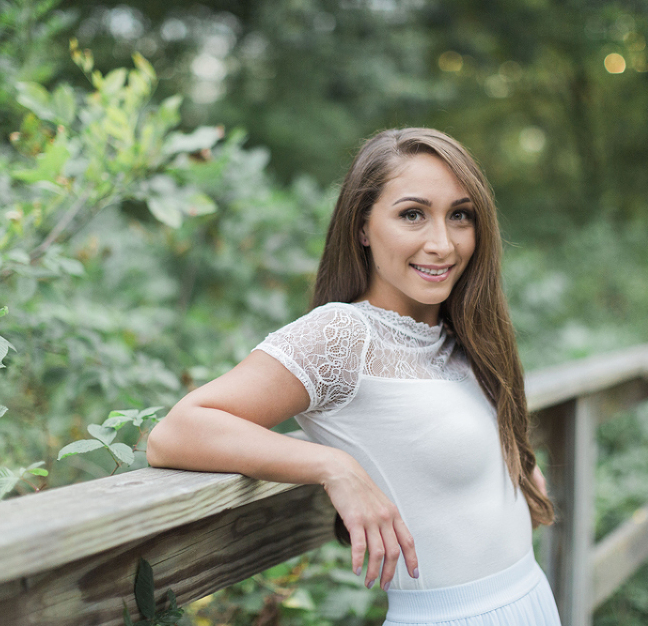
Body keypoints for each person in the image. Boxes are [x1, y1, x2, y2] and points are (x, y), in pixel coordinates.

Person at [146, 128, 562, 626]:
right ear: (362, 226)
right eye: (412, 214)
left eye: (460, 215)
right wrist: (335, 467)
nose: (442, 243)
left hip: (528, 599)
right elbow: (177, 432)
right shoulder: (342, 334)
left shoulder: (459, 336)